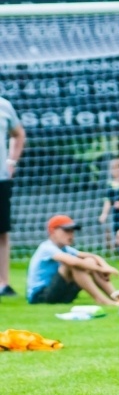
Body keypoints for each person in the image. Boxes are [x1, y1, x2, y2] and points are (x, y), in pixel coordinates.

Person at [26, 215, 119, 306]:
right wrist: (100, 269)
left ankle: (116, 297)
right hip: (40, 297)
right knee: (74, 265)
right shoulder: (47, 247)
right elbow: (73, 262)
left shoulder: (65, 248)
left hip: (60, 294)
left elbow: (93, 256)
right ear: (53, 231)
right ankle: (101, 300)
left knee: (89, 261)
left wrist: (105, 266)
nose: (71, 235)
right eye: (66, 231)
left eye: (72, 231)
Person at [0, 96, 26, 297]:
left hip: (1, 179)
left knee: (2, 232)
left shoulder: (4, 105)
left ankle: (3, 284)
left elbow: (18, 134)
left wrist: (11, 161)